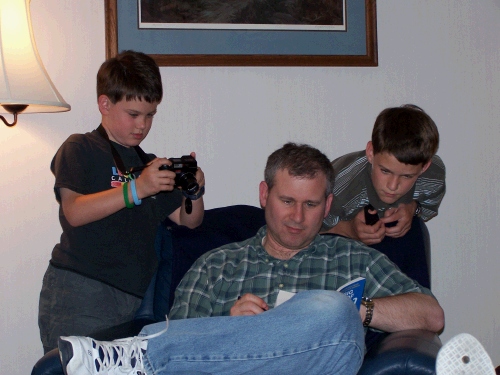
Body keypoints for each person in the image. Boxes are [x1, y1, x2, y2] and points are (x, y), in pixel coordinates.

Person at [57, 143, 444, 375]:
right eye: (287, 201)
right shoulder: (215, 265)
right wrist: (231, 327)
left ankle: (139, 356)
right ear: (264, 195)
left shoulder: (353, 257)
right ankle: (147, 355)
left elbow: (432, 316)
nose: (297, 217)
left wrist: (359, 311)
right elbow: (189, 344)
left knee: (333, 308)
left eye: (311, 205)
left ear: (328, 205)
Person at [38, 50, 205, 353]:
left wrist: (194, 189)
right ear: (105, 104)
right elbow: (74, 211)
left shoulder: (150, 165)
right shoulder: (81, 147)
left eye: (150, 115)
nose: (142, 125)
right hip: (81, 289)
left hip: (133, 299)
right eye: (133, 114)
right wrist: (137, 189)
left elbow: (189, 221)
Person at [321, 104, 446, 288]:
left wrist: (413, 208)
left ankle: (416, 304)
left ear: (424, 167)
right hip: (337, 254)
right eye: (385, 171)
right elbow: (305, 235)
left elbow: (428, 206)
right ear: (371, 152)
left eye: (406, 176)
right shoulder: (339, 183)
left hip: (392, 251)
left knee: (414, 229)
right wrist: (349, 230)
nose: (393, 186)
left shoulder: (433, 176)